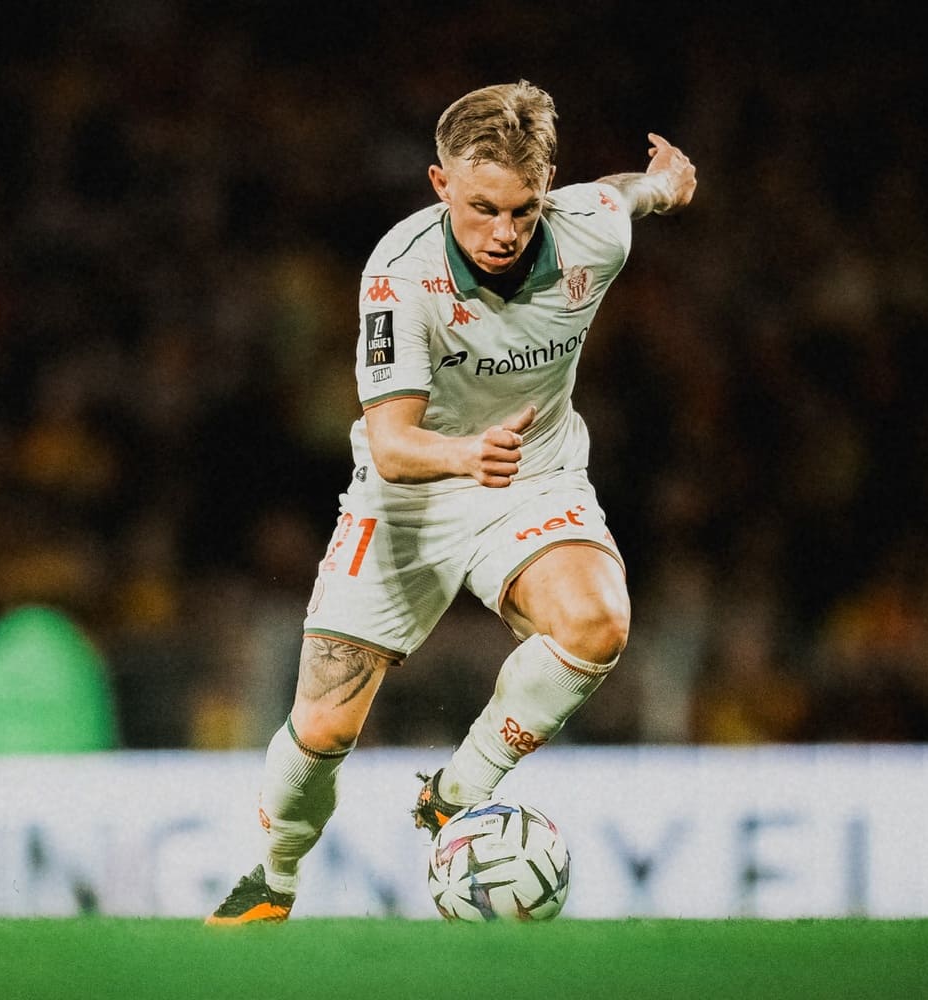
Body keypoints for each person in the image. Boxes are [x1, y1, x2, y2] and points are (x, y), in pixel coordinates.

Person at [207, 80, 696, 924]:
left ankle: (458, 792)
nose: (504, 231)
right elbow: (392, 445)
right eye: (482, 208)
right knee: (322, 729)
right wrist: (466, 453)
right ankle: (272, 879)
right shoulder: (400, 275)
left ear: (547, 191)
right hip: (408, 497)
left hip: (531, 481)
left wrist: (663, 184)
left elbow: (619, 195)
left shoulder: (591, 232)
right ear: (440, 185)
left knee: (598, 622)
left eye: (524, 209)